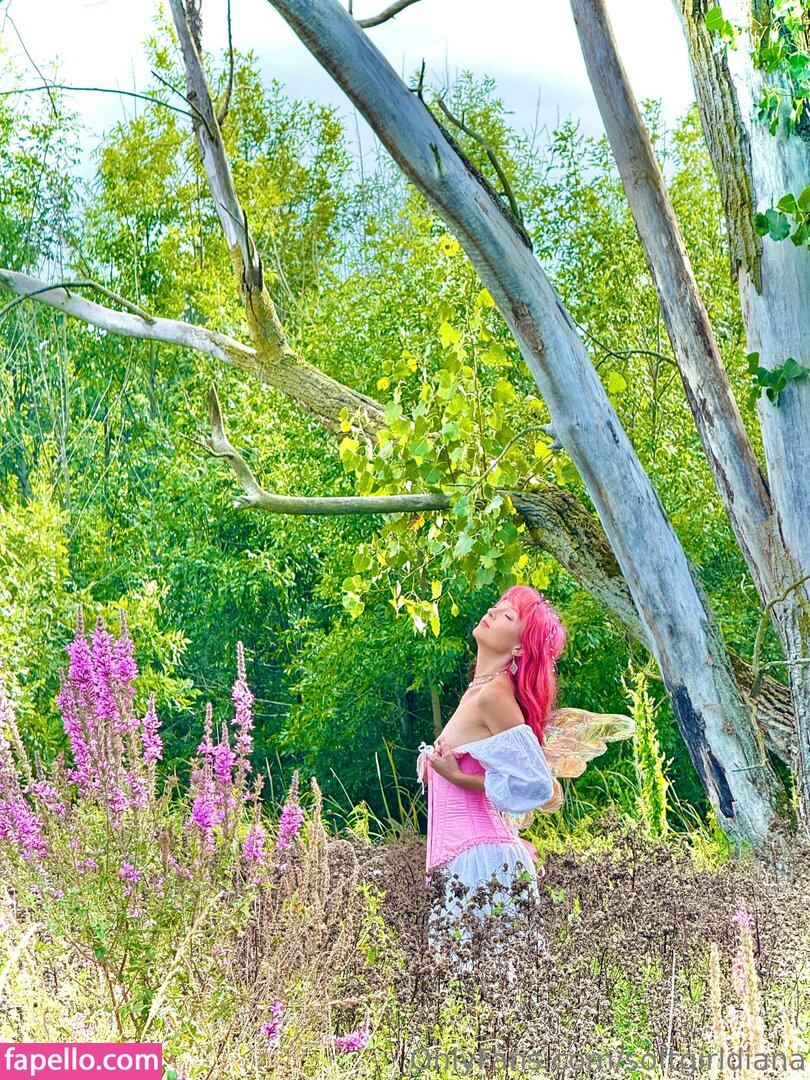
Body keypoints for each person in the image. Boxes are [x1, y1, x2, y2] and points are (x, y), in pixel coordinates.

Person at [416, 584, 566, 965]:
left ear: (518, 648)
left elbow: (538, 784)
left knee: (482, 986)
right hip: (459, 862)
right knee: (465, 989)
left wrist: (459, 778)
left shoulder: (494, 695)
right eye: (498, 606)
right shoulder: (477, 691)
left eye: (508, 615)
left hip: (480, 863)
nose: (493, 612)